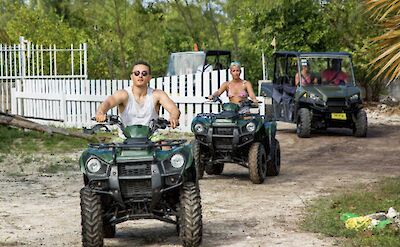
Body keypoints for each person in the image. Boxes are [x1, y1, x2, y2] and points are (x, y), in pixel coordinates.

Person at [95, 61, 180, 129]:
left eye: (144, 73)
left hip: (152, 138)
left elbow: (174, 109)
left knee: (166, 149)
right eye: (136, 73)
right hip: (125, 138)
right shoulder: (124, 94)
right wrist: (100, 113)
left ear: (150, 77)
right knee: (110, 150)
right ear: (131, 76)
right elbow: (108, 103)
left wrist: (173, 117)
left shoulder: (157, 94)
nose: (140, 76)